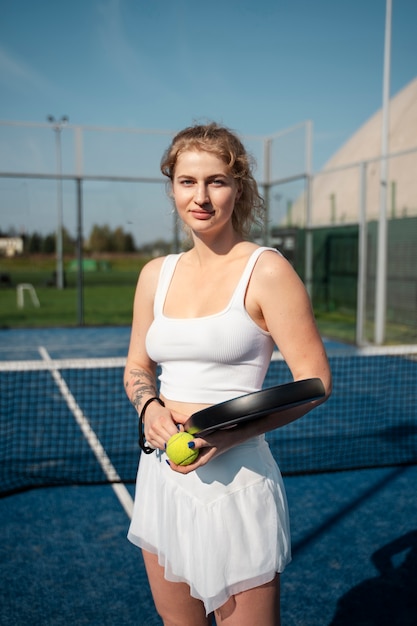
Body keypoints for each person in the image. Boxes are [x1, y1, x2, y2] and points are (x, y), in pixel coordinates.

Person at [124, 122, 332, 626]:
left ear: (239, 188)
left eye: (216, 181)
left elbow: (315, 382)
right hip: (160, 481)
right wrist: (148, 406)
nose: (201, 196)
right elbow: (137, 366)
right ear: (171, 186)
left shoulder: (266, 270)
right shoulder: (155, 273)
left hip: (236, 488)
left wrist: (228, 434)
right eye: (187, 181)